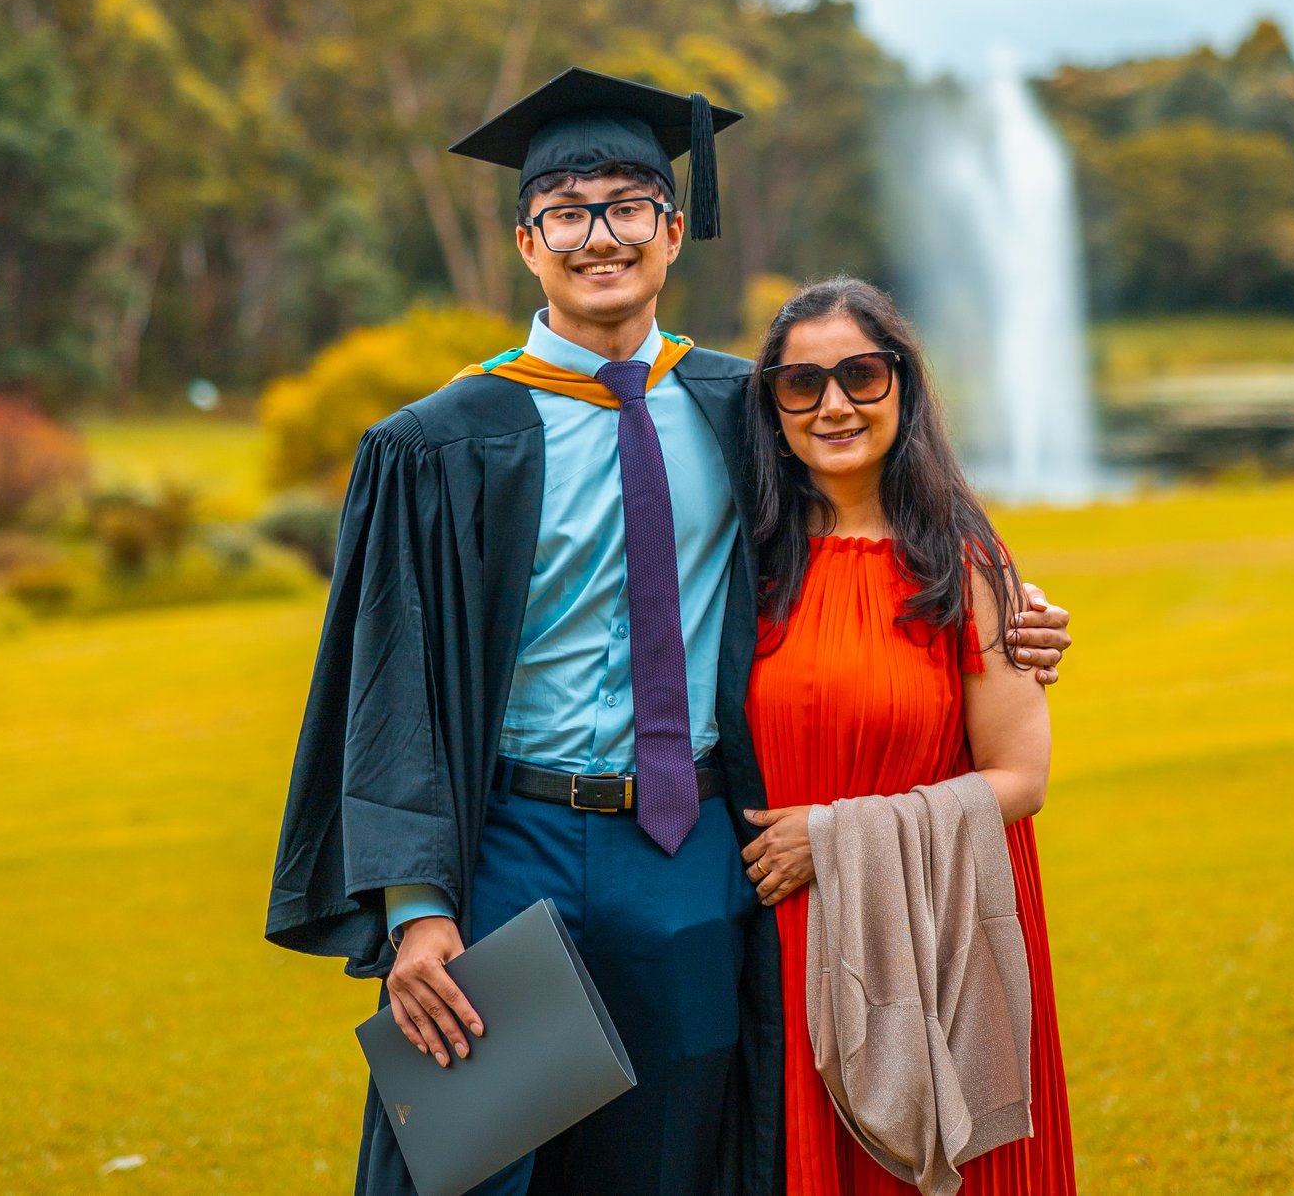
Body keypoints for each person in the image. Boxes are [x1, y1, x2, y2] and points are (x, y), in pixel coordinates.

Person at [264, 67, 1077, 1196]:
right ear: (527, 240)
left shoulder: (746, 408)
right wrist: (416, 911)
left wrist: (1012, 613)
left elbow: (882, 524)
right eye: (568, 211)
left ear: (674, 227)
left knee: (678, 1157)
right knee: (475, 1162)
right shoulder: (440, 442)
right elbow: (390, 687)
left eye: (628, 206)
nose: (601, 236)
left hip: (690, 851)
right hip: (509, 848)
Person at [738, 277, 1078, 1196]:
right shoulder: (747, 562)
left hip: (931, 933)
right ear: (771, 407)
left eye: (861, 374)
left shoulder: (961, 561)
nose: (835, 404)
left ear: (904, 387)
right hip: (776, 936)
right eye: (802, 384)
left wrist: (836, 837)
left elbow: (1023, 777)